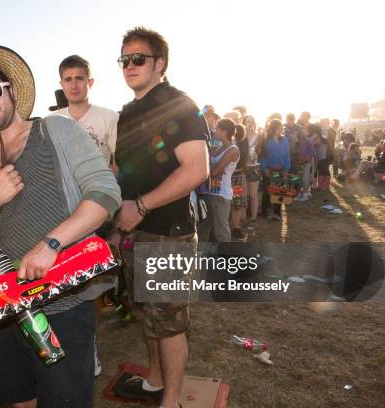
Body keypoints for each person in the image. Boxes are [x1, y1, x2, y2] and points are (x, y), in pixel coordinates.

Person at [0, 44, 121, 408]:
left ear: (12, 91)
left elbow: (105, 192)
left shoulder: (55, 132)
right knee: (14, 401)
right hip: (2, 312)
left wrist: (51, 244)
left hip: (63, 305)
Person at [112, 27, 209, 408]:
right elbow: (125, 172)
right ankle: (154, 381)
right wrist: (120, 223)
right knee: (146, 314)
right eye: (124, 59)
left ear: (160, 64)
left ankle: (170, 400)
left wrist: (141, 206)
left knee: (167, 323)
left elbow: (196, 169)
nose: (129, 65)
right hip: (136, 232)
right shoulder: (129, 112)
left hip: (168, 233)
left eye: (138, 58)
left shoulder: (178, 104)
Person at [52, 54, 119, 377]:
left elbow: (119, 164)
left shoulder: (109, 118)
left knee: (93, 287)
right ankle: (65, 345)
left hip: (95, 214)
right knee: (63, 285)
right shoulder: (52, 121)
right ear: (61, 84)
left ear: (90, 82)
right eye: (68, 79)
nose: (74, 84)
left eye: (80, 78)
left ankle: (89, 347)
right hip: (61, 217)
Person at [198, 119, 240, 242]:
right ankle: (203, 256)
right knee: (205, 227)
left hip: (221, 194)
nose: (214, 131)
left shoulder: (232, 150)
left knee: (221, 230)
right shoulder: (218, 146)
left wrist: (210, 168)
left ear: (224, 132)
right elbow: (212, 168)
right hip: (210, 192)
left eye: (217, 129)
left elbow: (215, 171)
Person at [259, 119, 290, 221]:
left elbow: (286, 155)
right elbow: (262, 156)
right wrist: (264, 169)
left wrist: (286, 168)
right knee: (267, 191)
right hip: (269, 169)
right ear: (273, 128)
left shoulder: (284, 140)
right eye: (278, 127)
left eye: (281, 127)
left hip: (281, 170)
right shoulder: (266, 140)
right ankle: (265, 211)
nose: (281, 129)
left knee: (279, 191)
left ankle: (277, 213)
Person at [242, 115, 262, 226]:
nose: (249, 124)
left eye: (251, 121)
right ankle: (243, 217)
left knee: (253, 194)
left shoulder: (259, 136)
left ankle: (254, 217)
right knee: (243, 194)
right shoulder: (240, 136)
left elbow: (262, 152)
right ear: (243, 123)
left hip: (254, 167)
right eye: (247, 121)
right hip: (243, 168)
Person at [230, 124, 248, 240]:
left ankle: (235, 228)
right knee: (236, 203)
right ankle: (236, 228)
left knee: (234, 203)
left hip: (234, 176)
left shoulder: (234, 146)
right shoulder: (241, 145)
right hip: (238, 176)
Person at [295, 124, 318, 202]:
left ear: (308, 132)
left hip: (307, 162)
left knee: (305, 178)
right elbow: (298, 152)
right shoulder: (299, 140)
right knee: (300, 178)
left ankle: (305, 195)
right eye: (302, 130)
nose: (303, 131)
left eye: (304, 130)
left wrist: (307, 160)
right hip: (301, 162)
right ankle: (301, 193)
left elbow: (312, 153)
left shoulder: (308, 140)